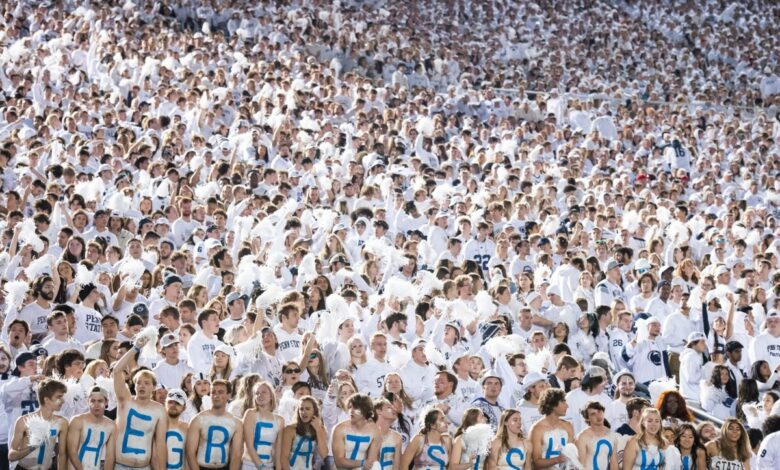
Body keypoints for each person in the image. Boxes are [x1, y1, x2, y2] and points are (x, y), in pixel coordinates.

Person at [114, 335, 168, 470]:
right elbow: (116, 370)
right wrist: (135, 348)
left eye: (146, 383)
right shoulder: (125, 400)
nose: (142, 386)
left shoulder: (159, 409)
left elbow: (160, 444)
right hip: (121, 465)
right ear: (134, 385)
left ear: (154, 387)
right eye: (139, 383)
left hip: (144, 467)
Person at [9, 379, 69, 470]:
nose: (63, 401)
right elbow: (11, 456)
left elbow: (62, 454)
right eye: (59, 397)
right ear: (47, 400)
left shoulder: (62, 423)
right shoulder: (24, 421)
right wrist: (33, 447)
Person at [185, 379, 243, 470]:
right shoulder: (198, 420)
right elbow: (190, 453)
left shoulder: (236, 423)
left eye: (221, 392)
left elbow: (236, 455)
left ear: (228, 395)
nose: (216, 396)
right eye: (213, 392)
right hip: (202, 467)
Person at [66, 386, 116, 470]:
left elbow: (110, 457)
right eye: (93, 401)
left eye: (100, 401)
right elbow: (72, 452)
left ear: (106, 402)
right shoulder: (77, 421)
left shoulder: (111, 426)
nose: (96, 405)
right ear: (87, 402)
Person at [529, 388, 575, 470]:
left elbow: (571, 457)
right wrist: (557, 460)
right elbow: (535, 463)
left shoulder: (568, 426)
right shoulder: (537, 429)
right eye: (563, 402)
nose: (567, 406)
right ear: (553, 405)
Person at [242, 381, 284, 470]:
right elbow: (249, 445)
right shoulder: (250, 413)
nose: (260, 395)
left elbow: (277, 450)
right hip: (249, 465)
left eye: (264, 392)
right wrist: (261, 466)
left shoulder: (280, 420)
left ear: (271, 396)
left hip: (269, 466)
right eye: (257, 393)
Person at [331, 393, 379, 470]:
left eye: (356, 408)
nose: (351, 411)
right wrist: (362, 463)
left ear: (365, 410)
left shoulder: (374, 430)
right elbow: (339, 462)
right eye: (350, 407)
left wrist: (365, 464)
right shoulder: (340, 429)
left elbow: (371, 462)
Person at [279, 396, 328, 470]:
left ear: (314, 411)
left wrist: (318, 430)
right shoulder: (290, 429)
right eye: (301, 409)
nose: (304, 412)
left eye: (307, 409)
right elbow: (283, 458)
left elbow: (324, 454)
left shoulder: (321, 430)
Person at [575, 401, 618, 470]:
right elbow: (580, 466)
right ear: (587, 418)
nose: (598, 416)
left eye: (599, 411)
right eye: (593, 414)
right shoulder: (582, 437)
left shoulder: (612, 435)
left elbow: (614, 462)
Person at [373, 398, 402, 470]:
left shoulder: (397, 437)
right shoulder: (367, 434)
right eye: (389, 407)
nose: (394, 410)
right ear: (378, 411)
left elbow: (396, 467)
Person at [165, 388, 189, 470]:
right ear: (165, 403)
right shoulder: (157, 425)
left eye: (177, 403)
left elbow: (189, 457)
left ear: (184, 408)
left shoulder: (188, 429)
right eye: (170, 402)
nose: (173, 405)